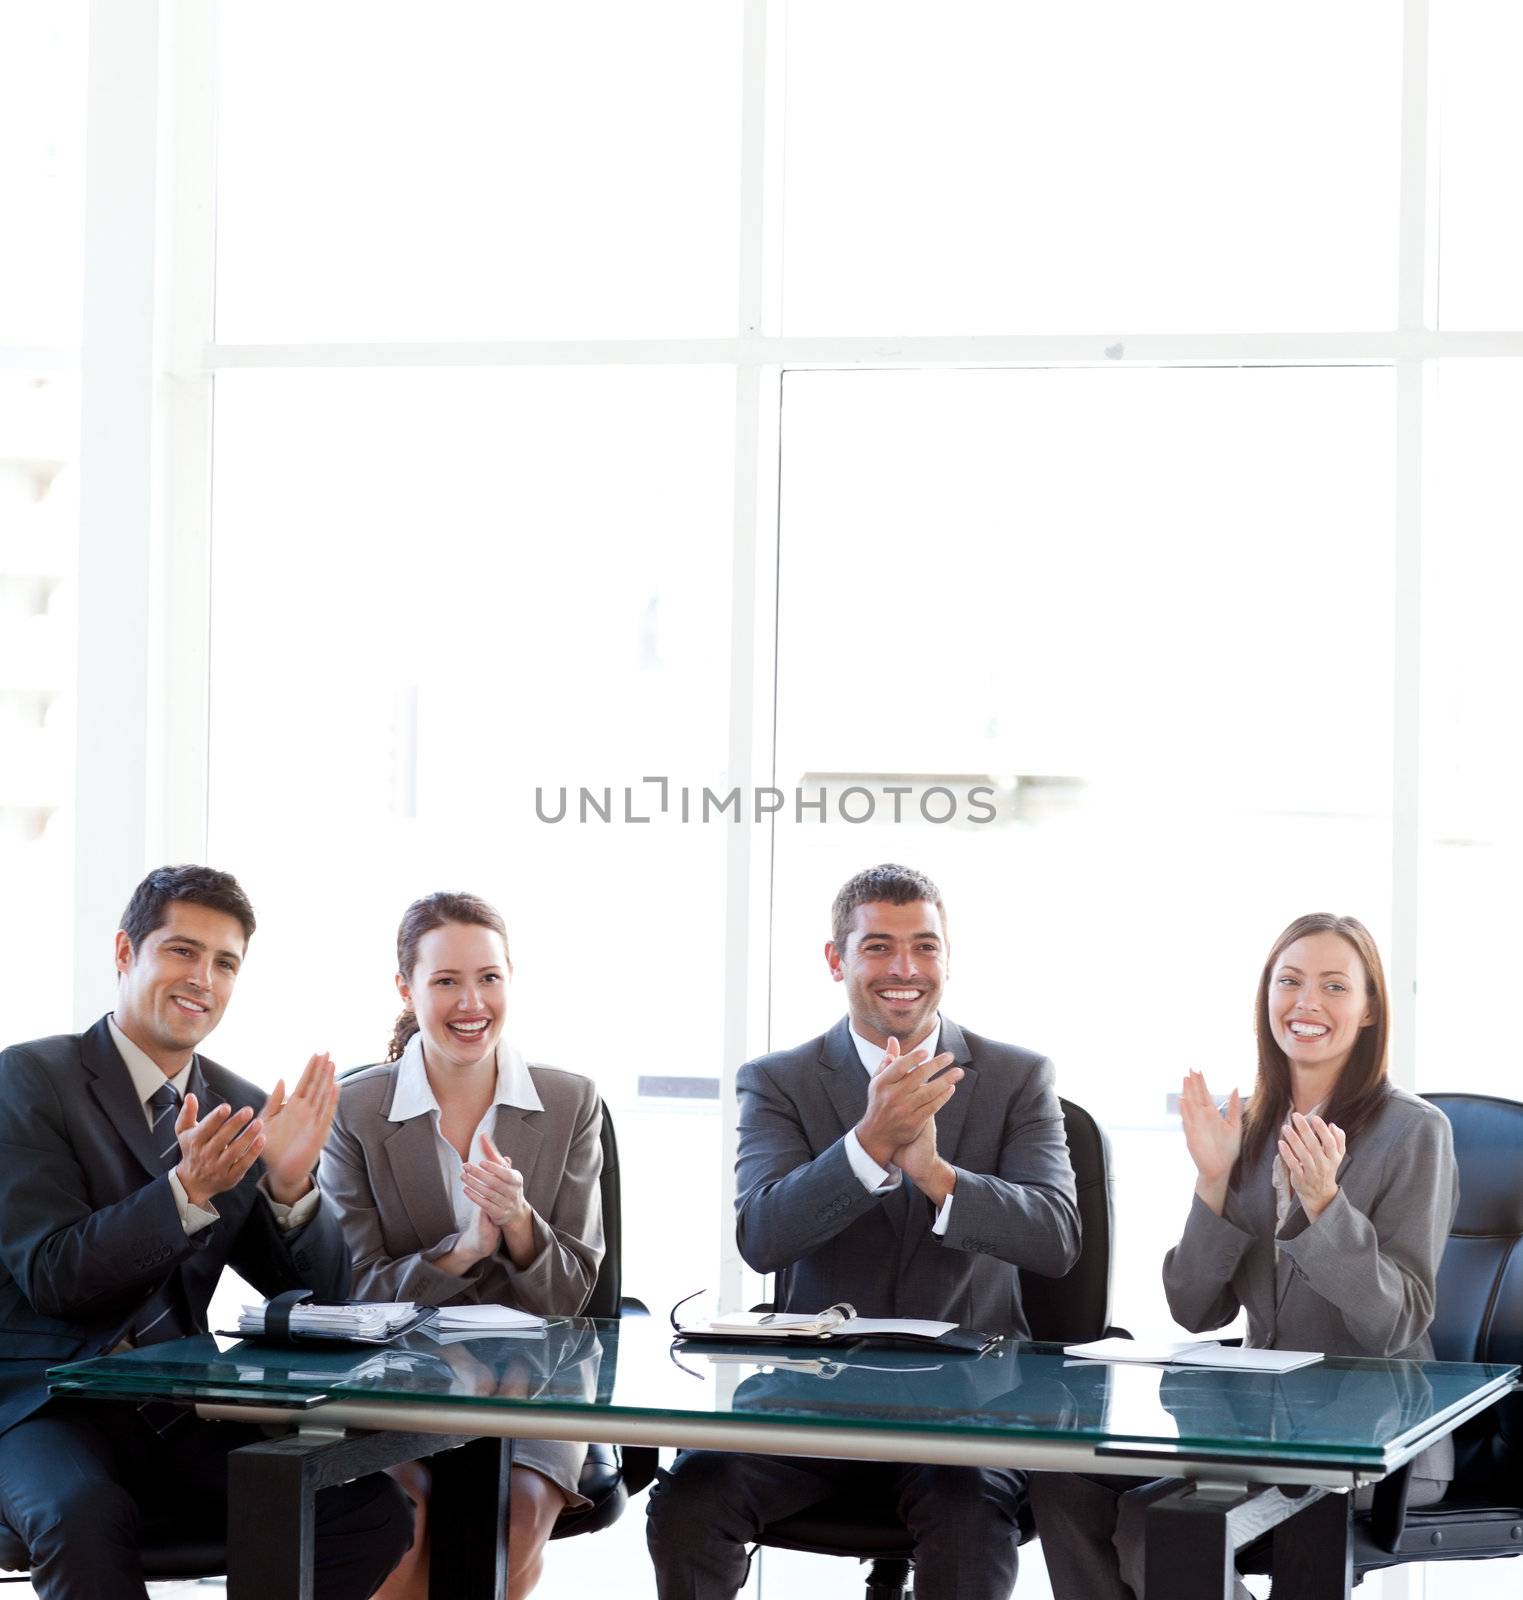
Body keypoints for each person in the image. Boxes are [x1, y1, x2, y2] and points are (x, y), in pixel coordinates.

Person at [646, 862, 1082, 1600]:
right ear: (835, 959)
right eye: (877, 946)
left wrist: (936, 1173)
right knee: (689, 1501)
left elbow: (1055, 1239)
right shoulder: (778, 1079)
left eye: (924, 946)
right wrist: (867, 1145)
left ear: (947, 956)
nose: (904, 969)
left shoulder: (1016, 1077)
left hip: (967, 1405)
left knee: (967, 1519)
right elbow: (762, 1234)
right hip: (809, 1400)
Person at [0, 864, 414, 1600]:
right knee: (80, 1516)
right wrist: (185, 1193)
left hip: (174, 1409)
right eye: (182, 951)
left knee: (364, 1511)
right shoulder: (31, 1080)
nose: (204, 978)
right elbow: (54, 1274)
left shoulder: (241, 1106)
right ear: (126, 953)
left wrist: (290, 1187)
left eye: (225, 963)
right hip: (42, 1405)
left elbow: (317, 1299)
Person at [1029, 911, 1459, 1600]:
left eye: (1333, 986)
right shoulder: (1249, 1124)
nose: (1305, 1003)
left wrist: (1324, 1206)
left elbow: (1393, 1325)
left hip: (1376, 1436)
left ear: (1370, 1007)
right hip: (1255, 1426)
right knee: (1062, 1478)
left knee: (1157, 1525)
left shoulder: (1414, 1132)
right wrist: (1212, 1180)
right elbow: (1194, 1309)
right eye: (1287, 982)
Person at [320, 891, 603, 1600]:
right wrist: (464, 1250)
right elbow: (351, 1289)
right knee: (399, 1530)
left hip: (534, 1382)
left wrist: (518, 1224)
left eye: (488, 977)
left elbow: (574, 1296)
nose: (470, 1001)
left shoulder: (568, 1102)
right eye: (445, 980)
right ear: (405, 988)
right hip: (393, 1382)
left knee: (513, 1520)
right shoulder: (355, 1109)